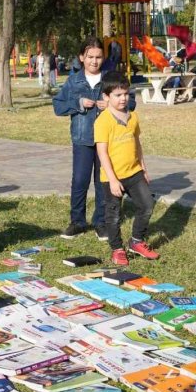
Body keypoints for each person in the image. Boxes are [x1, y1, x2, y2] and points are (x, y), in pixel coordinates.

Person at [53, 36, 136, 241]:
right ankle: (77, 222)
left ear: (103, 58)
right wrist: (78, 102)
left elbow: (131, 103)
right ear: (82, 57)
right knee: (80, 181)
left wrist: (112, 105)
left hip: (108, 141)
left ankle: (102, 222)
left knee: (103, 182)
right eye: (90, 56)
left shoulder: (110, 78)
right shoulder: (74, 81)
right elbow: (58, 106)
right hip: (82, 139)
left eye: (98, 57)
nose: (94, 61)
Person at [94, 71, 158, 266]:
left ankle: (136, 241)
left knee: (147, 205)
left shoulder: (133, 117)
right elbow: (102, 153)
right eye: (117, 95)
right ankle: (117, 249)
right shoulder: (102, 121)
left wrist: (143, 168)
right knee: (113, 216)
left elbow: (137, 143)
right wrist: (113, 180)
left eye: (126, 94)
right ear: (106, 97)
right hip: (113, 177)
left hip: (135, 173)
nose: (123, 99)